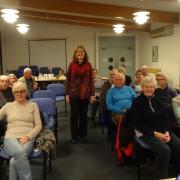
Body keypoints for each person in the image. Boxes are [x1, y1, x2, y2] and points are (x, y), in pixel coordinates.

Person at [131, 76, 180, 179]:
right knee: (165, 150)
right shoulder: (137, 103)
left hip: (161, 131)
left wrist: (167, 131)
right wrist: (156, 134)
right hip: (145, 133)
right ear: (142, 87)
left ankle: (177, 173)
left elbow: (166, 119)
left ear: (154, 88)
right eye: (146, 87)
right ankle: (161, 177)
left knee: (178, 144)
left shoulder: (157, 100)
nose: (149, 89)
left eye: (151, 87)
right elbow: (138, 125)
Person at [0, 81, 42, 180]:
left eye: (22, 91)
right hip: (10, 138)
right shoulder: (8, 106)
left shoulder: (33, 105)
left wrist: (28, 136)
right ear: (13, 93)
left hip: (28, 137)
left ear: (26, 92)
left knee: (14, 161)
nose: (19, 94)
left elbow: (39, 125)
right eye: (16, 92)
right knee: (20, 154)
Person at [66, 45, 95, 144]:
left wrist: (92, 94)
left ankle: (82, 135)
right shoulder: (71, 65)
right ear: (75, 54)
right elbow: (68, 80)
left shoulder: (88, 65)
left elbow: (91, 80)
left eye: (82, 52)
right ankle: (74, 136)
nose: (80, 54)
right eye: (78, 52)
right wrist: (66, 94)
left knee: (83, 116)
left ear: (84, 54)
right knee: (74, 116)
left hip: (85, 94)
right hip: (74, 93)